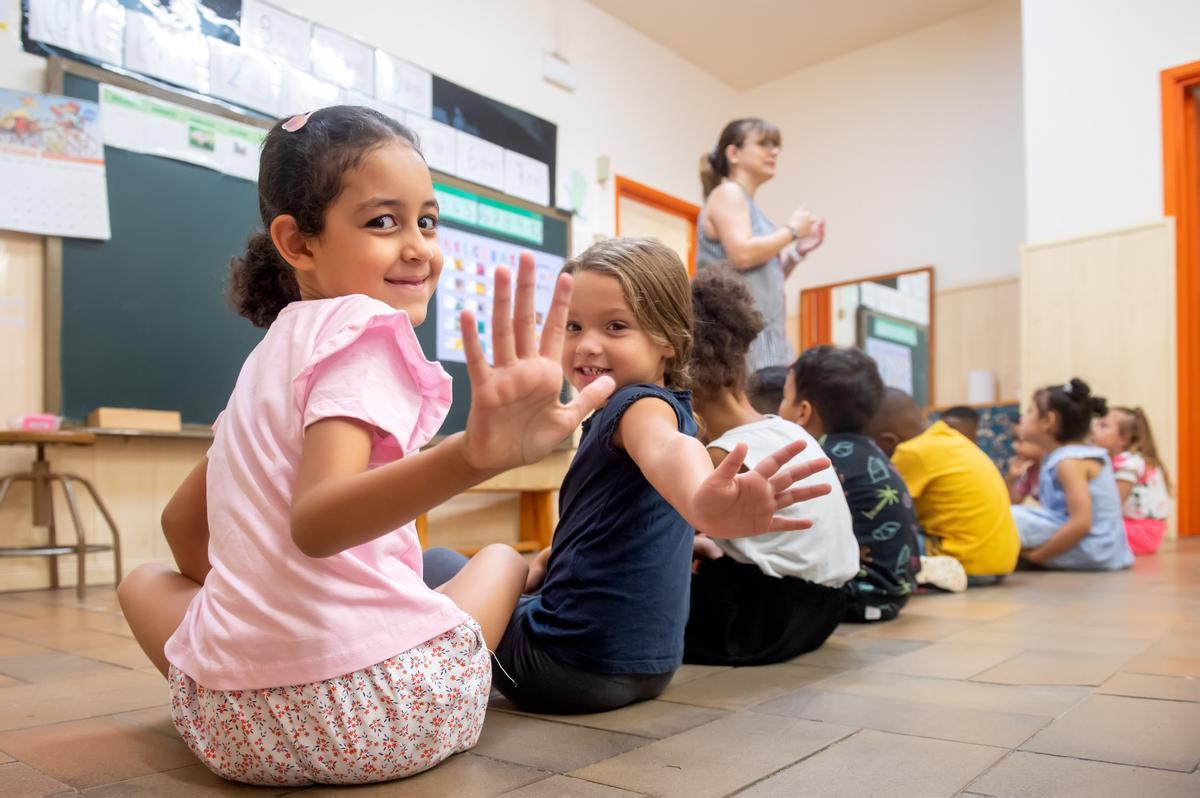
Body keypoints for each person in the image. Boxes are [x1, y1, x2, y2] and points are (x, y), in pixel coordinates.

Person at [115, 106, 618, 787]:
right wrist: (475, 455)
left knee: (141, 580)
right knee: (498, 557)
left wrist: (269, 610)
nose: (418, 247)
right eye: (384, 222)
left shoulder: (268, 359)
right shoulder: (369, 328)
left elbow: (182, 526)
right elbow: (319, 520)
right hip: (384, 716)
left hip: (232, 726)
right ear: (298, 243)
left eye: (428, 221)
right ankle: (535, 570)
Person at [424, 238, 832, 714]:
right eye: (573, 326)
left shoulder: (638, 406)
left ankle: (425, 690)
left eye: (615, 326)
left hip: (562, 668)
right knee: (526, 565)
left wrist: (703, 500)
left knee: (446, 560)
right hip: (647, 670)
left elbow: (667, 450)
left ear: (669, 340)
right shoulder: (667, 405)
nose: (586, 344)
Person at [684, 267, 858, 665]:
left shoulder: (721, 456)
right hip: (824, 612)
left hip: (759, 621)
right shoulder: (783, 431)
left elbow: (654, 536)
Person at [779, 345, 922, 621]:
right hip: (892, 593)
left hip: (857, 596)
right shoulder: (872, 452)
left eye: (784, 398)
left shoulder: (815, 457)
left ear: (803, 412)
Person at [696, 118, 826, 378]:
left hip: (766, 337)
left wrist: (797, 253)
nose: (774, 151)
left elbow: (761, 280)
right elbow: (742, 255)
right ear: (733, 153)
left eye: (776, 145)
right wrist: (791, 231)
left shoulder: (749, 207)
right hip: (739, 339)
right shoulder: (728, 193)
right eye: (764, 144)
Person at [872, 389, 1019, 587]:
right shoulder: (951, 439)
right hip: (999, 563)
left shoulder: (910, 452)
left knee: (878, 532)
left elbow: (885, 510)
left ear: (888, 441)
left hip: (961, 563)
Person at [1010, 379, 1133, 570]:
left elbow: (1081, 523)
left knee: (1007, 516)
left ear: (1049, 421)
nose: (1023, 418)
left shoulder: (1070, 462)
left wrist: (1036, 557)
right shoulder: (1063, 456)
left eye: (1029, 412)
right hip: (1099, 548)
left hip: (1093, 549)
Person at [1091, 406, 1172, 555]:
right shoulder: (1129, 461)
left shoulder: (1129, 464)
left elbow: (1112, 503)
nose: (1094, 429)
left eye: (1103, 426)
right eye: (1096, 423)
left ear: (1124, 438)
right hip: (1142, 530)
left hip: (1140, 532)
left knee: (1085, 533)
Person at [1006, 437, 1044, 504]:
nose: (1014, 446)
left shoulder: (1053, 468)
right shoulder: (1030, 470)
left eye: (1020, 441)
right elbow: (1015, 501)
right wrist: (1011, 478)